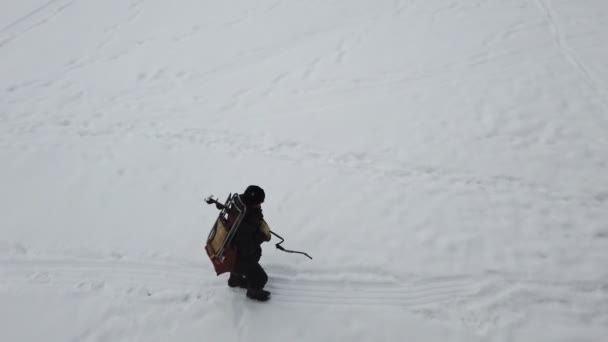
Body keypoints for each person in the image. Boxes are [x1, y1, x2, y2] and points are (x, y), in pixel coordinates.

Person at [227, 185, 272, 301]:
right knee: (261, 278)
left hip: (231, 251)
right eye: (259, 203)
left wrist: (258, 221)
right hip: (239, 257)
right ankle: (254, 293)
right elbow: (246, 249)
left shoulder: (240, 204)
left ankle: (234, 280)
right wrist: (262, 236)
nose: (261, 205)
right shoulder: (244, 223)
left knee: (239, 262)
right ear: (252, 202)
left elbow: (254, 216)